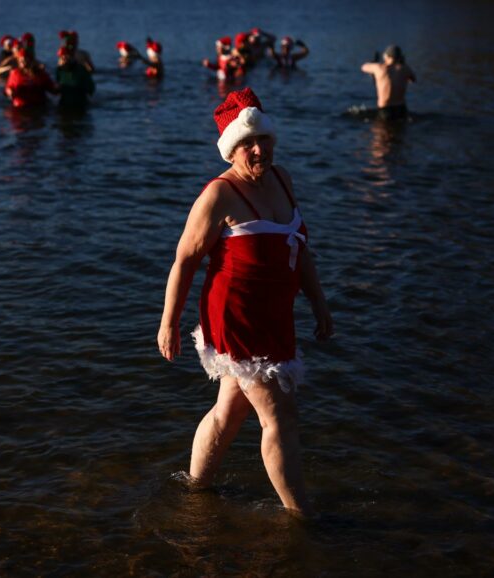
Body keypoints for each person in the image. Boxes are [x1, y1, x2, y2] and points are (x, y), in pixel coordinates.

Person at [158, 88, 332, 518]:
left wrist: (319, 303)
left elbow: (301, 248)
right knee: (280, 416)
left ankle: (196, 490)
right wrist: (169, 323)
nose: (259, 150)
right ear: (230, 150)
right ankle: (303, 518)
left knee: (230, 410)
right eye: (247, 144)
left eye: (264, 140)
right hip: (236, 320)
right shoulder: (219, 197)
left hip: (275, 315)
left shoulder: (283, 179)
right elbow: (184, 261)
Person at [361, 45, 416, 121]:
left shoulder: (378, 68)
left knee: (381, 132)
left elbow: (363, 67)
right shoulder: (406, 68)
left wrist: (373, 63)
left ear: (387, 56)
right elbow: (413, 80)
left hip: (385, 110)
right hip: (401, 108)